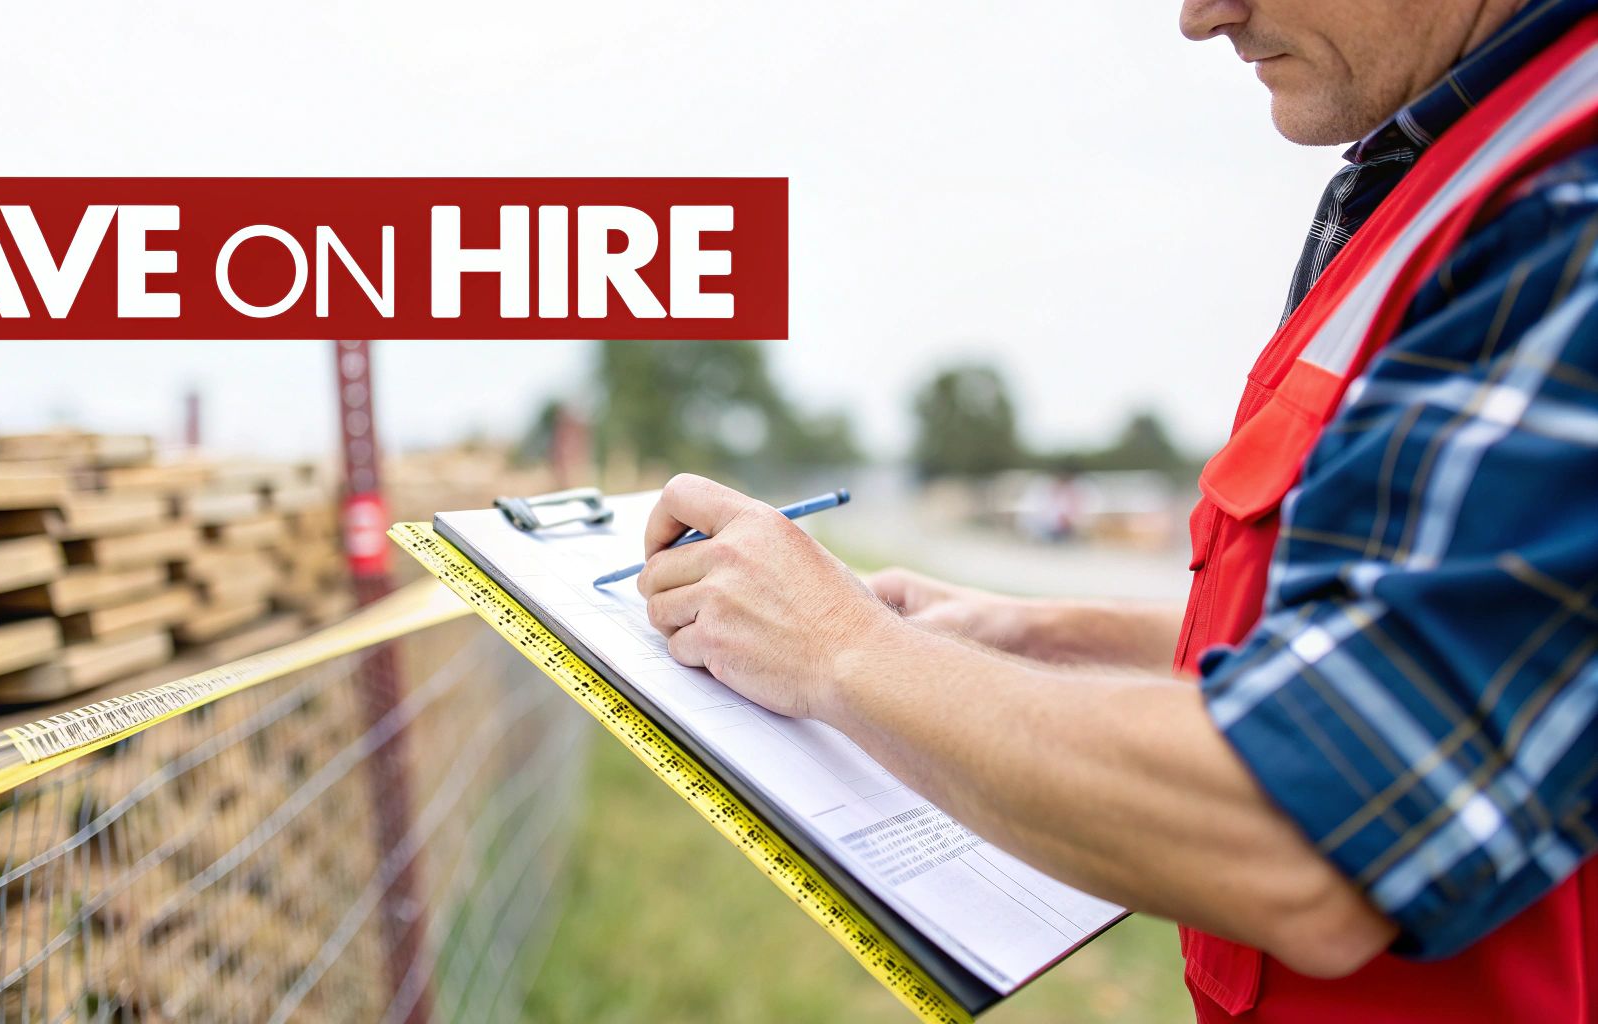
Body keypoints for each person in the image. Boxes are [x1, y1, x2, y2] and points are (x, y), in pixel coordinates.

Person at [635, 1, 1598, 1020]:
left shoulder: (1562, 216)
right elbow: (1414, 643)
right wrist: (1038, 631)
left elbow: (1317, 829)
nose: (1200, 16)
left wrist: (835, 648)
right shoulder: (1457, 177)